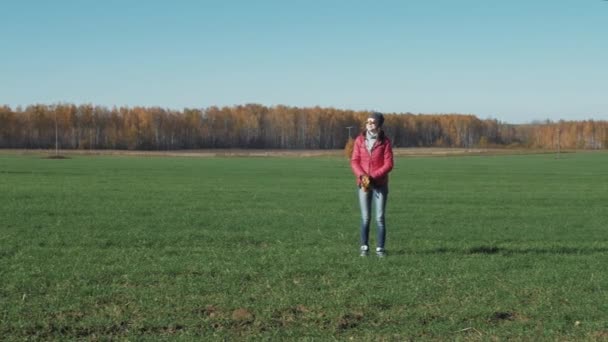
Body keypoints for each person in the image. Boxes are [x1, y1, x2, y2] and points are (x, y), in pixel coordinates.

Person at [350, 112, 394, 257]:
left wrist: (373, 176)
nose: (369, 124)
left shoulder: (385, 142)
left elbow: (389, 164)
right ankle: (364, 248)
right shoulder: (359, 140)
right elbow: (354, 160)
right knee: (365, 217)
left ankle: (380, 249)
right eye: (368, 122)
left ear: (379, 124)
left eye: (373, 122)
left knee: (379, 218)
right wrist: (363, 176)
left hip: (380, 184)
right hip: (363, 184)